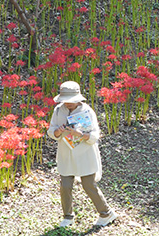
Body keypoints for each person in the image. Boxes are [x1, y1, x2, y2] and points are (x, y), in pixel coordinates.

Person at [47, 81, 117, 228]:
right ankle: (68, 216)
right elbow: (51, 130)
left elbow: (95, 134)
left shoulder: (87, 111)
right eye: (65, 100)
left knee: (89, 185)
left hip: (85, 153)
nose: (68, 104)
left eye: (71, 101)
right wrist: (58, 132)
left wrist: (82, 134)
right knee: (65, 185)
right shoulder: (58, 110)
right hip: (66, 153)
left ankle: (106, 213)